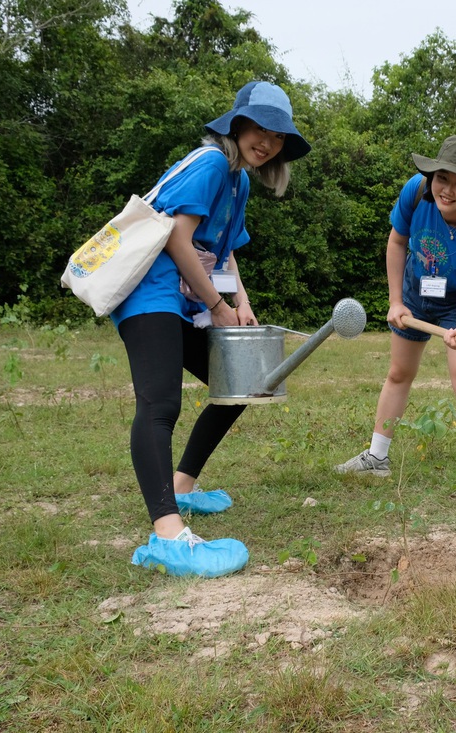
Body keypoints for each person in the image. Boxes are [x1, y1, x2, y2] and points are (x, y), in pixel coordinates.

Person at [115, 81, 312, 578]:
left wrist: (240, 304)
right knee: (160, 403)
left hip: (186, 298)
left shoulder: (238, 180)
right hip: (150, 293)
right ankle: (167, 536)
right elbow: (178, 240)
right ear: (237, 125)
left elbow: (224, 251)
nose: (265, 141)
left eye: (277, 136)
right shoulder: (208, 164)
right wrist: (217, 306)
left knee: (240, 386)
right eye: (259, 128)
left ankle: (183, 485)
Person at [335, 135, 456, 510]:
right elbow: (397, 243)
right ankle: (376, 458)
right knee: (399, 372)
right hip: (414, 296)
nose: (448, 189)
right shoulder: (416, 192)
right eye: (443, 177)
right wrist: (396, 300)